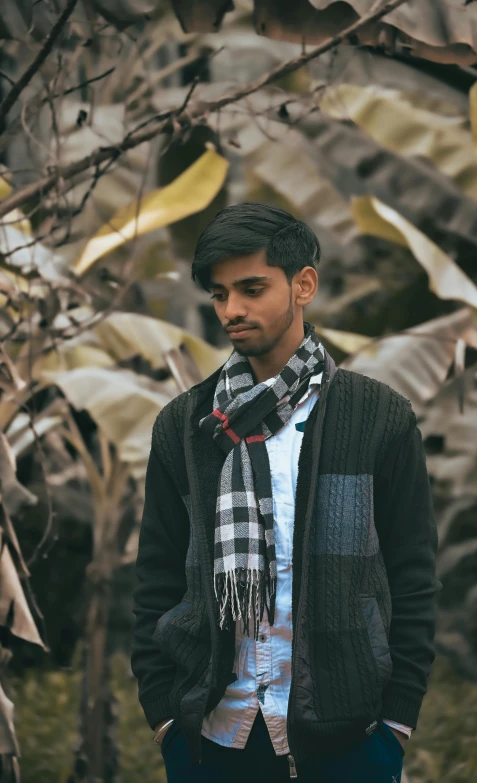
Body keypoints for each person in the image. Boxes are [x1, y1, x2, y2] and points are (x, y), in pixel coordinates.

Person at [131, 202, 439, 782]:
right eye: (220, 294)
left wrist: (397, 725)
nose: (233, 310)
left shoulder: (378, 417)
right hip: (213, 736)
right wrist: (165, 719)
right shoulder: (187, 424)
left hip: (350, 739)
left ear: (304, 285)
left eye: (251, 288)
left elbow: (413, 576)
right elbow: (157, 576)